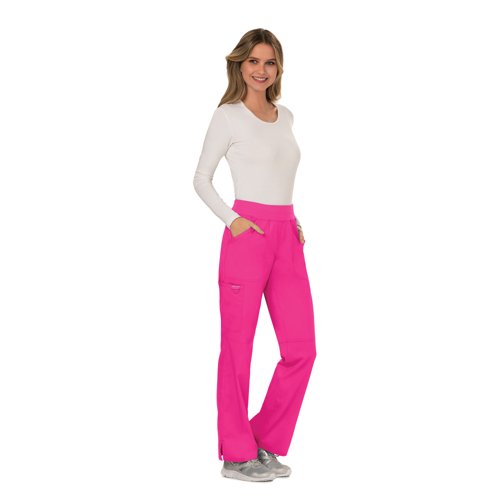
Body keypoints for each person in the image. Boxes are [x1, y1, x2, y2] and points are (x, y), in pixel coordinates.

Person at [193, 28, 317, 482]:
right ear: (240, 64)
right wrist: (233, 220)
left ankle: (260, 439)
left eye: (269, 62)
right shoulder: (227, 116)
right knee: (237, 349)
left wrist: (291, 220)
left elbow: (279, 175)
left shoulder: (286, 117)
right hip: (247, 235)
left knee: (302, 349)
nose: (261, 70)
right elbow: (201, 178)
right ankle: (236, 454)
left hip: (287, 236)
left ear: (278, 68)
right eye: (253, 61)